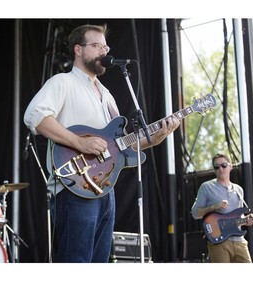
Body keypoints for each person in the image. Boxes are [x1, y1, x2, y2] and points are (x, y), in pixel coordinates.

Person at [23, 24, 180, 262]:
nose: (103, 52)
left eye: (105, 46)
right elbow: (35, 116)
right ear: (78, 49)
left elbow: (119, 147)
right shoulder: (62, 82)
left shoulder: (107, 95)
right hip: (74, 188)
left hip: (105, 190)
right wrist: (79, 143)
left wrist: (154, 139)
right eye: (96, 46)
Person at [191, 153, 253, 263]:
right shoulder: (206, 187)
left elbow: (238, 216)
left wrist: (246, 220)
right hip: (219, 242)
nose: (220, 169)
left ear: (230, 166)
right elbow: (195, 213)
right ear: (214, 170)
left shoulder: (238, 190)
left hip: (239, 241)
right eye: (216, 166)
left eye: (224, 165)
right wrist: (214, 207)